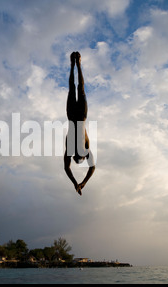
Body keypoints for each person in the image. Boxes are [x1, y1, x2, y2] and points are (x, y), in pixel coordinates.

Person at [64, 52, 95, 195]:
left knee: (73, 87)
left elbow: (66, 168)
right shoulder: (85, 149)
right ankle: (78, 64)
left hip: (72, 114)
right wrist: (81, 183)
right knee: (80, 88)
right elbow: (92, 167)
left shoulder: (70, 148)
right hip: (81, 114)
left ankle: (73, 65)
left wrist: (76, 183)